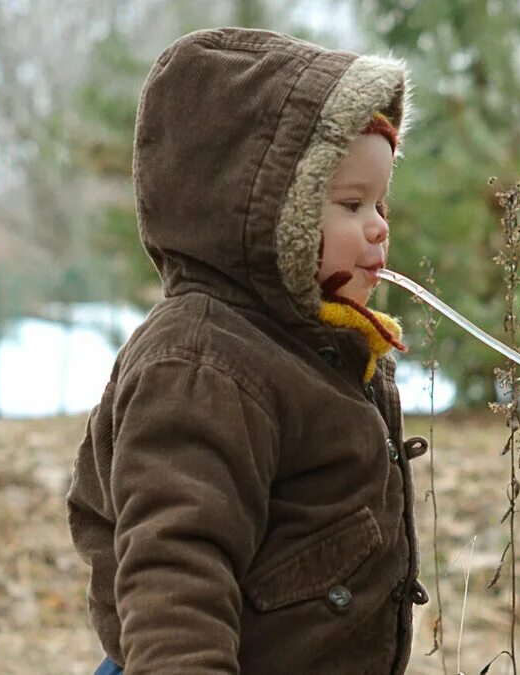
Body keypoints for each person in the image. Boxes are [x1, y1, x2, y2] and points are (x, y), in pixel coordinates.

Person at [66, 27, 430, 674]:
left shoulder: (314, 344)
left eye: (381, 201)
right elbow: (175, 568)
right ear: (266, 216)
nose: (379, 226)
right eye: (351, 203)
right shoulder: (201, 363)